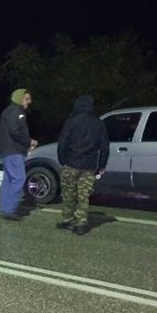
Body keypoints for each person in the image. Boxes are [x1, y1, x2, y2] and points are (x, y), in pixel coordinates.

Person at [56, 95, 110, 235]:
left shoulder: (71, 122)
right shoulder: (99, 124)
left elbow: (62, 144)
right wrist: (101, 165)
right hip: (89, 166)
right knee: (83, 196)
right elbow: (104, 147)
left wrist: (63, 161)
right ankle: (81, 223)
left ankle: (67, 219)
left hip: (71, 164)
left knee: (69, 194)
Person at [0, 88, 38, 220]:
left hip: (9, 150)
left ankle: (6, 208)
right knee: (19, 178)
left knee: (9, 179)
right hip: (13, 150)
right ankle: (9, 209)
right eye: (27, 99)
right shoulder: (15, 112)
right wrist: (29, 141)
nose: (29, 102)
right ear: (19, 99)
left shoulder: (11, 111)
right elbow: (15, 131)